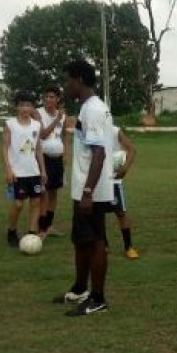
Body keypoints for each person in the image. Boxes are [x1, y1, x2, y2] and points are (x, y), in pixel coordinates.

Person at [53, 59, 115, 316]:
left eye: (68, 79)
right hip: (83, 188)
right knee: (81, 240)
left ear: (79, 80)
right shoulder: (86, 108)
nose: (66, 85)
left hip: (93, 190)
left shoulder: (94, 110)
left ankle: (98, 298)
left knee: (95, 241)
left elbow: (99, 153)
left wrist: (89, 191)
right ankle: (80, 288)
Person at [1, 90, 47, 247]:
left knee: (35, 202)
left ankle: (32, 233)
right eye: (22, 105)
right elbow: (4, 148)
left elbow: (38, 149)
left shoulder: (37, 125)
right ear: (16, 107)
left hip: (33, 171)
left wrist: (43, 170)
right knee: (19, 204)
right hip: (17, 172)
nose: (25, 108)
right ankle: (12, 231)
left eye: (28, 105)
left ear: (33, 107)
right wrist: (8, 169)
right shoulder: (10, 124)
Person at [35, 85, 67, 237]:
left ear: (58, 99)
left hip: (58, 159)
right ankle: (41, 228)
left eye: (52, 97)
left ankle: (49, 226)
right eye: (46, 96)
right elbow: (42, 134)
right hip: (44, 158)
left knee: (54, 192)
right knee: (44, 193)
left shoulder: (62, 115)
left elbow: (64, 135)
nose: (49, 99)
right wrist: (57, 120)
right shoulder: (38, 113)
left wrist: (65, 154)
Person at [107, 125, 139, 259]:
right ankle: (103, 245)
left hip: (113, 181)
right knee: (96, 214)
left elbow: (132, 150)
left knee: (121, 213)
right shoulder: (90, 132)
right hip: (96, 180)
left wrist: (124, 168)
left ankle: (129, 247)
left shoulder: (115, 131)